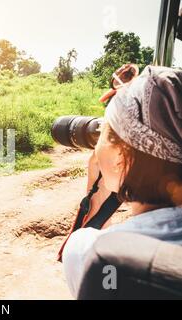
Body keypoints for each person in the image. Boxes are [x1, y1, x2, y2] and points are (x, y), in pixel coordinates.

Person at [62, 65, 182, 298]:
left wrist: (95, 193)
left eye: (105, 130)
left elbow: (82, 245)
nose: (96, 146)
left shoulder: (94, 252)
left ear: (121, 155)